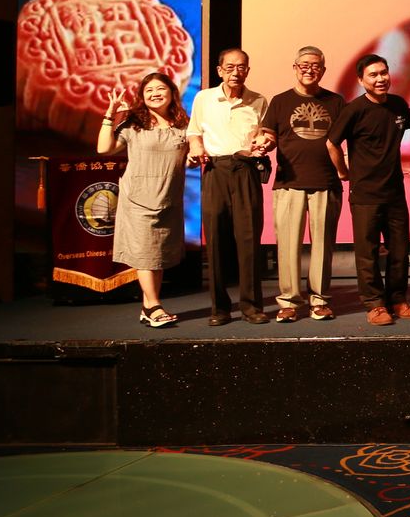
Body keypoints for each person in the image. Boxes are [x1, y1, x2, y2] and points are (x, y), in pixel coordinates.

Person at [326, 54, 410, 325]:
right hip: (365, 194)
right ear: (361, 80)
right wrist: (343, 172)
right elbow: (331, 143)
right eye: (373, 75)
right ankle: (375, 305)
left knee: (399, 251)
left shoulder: (398, 105)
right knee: (367, 254)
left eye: (383, 73)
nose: (380, 79)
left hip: (395, 192)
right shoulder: (354, 110)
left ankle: (398, 300)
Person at [187, 48, 273, 325]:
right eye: (230, 67)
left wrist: (265, 143)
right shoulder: (204, 98)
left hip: (246, 170)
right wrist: (196, 148)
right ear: (219, 70)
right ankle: (219, 308)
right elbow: (194, 132)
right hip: (215, 170)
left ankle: (251, 306)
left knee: (249, 240)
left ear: (248, 70)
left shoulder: (258, 100)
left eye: (242, 67)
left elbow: (266, 135)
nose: (236, 72)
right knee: (215, 240)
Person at [260, 46, 345, 323]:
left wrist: (346, 170)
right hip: (288, 183)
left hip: (326, 182)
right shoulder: (280, 101)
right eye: (304, 65)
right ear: (295, 68)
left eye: (315, 65)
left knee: (323, 245)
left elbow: (348, 138)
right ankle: (289, 301)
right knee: (287, 246)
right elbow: (269, 135)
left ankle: (319, 300)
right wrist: (263, 144)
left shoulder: (336, 102)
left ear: (323, 70)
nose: (309, 70)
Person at [98, 73, 190, 327]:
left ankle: (148, 306)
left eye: (160, 89)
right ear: (142, 96)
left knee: (156, 256)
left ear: (172, 93)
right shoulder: (134, 124)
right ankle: (154, 306)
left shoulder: (183, 125)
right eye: (149, 90)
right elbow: (104, 149)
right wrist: (110, 115)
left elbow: (191, 155)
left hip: (168, 199)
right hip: (138, 199)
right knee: (145, 256)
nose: (155, 94)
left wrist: (194, 158)